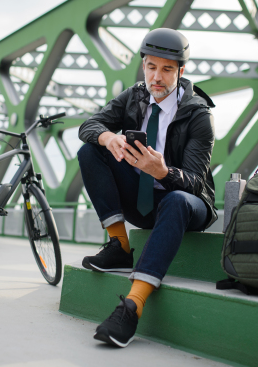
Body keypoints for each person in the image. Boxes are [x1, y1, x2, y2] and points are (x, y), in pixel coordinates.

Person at [76, 27, 217, 348]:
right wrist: (108, 137)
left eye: (167, 69)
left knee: (178, 199)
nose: (157, 76)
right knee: (90, 150)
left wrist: (163, 171)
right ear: (143, 66)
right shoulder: (134, 96)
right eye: (151, 66)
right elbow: (88, 125)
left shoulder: (199, 116)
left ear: (181, 71)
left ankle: (131, 307)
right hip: (143, 198)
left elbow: (195, 183)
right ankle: (119, 247)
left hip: (187, 204)